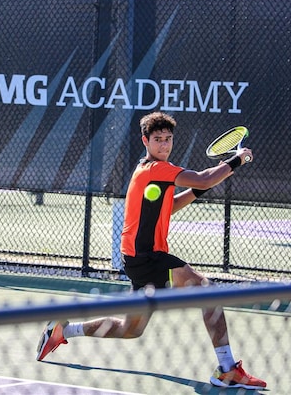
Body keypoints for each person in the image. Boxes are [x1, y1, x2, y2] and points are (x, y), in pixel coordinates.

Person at [36, 111, 266, 390]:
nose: (164, 145)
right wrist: (237, 160)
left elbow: (172, 206)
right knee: (208, 291)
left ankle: (63, 329)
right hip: (147, 256)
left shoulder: (150, 170)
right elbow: (205, 178)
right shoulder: (156, 169)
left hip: (137, 259)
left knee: (130, 329)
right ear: (145, 140)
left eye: (168, 139)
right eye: (157, 140)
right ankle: (227, 369)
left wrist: (206, 182)